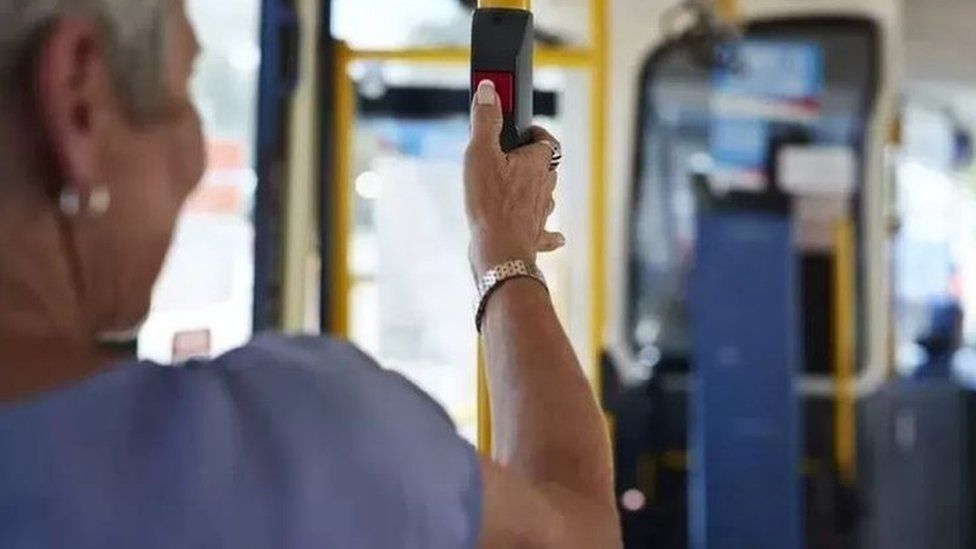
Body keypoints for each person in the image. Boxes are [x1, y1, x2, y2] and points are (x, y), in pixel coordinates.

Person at [0, 1, 621, 548]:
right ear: (78, 98)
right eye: (186, 88)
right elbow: (577, 532)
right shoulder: (288, 452)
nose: (194, 163)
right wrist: (505, 253)